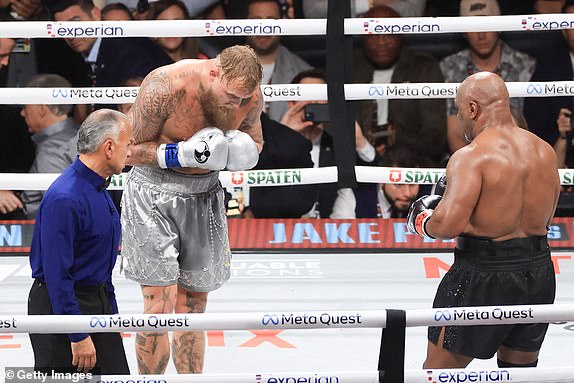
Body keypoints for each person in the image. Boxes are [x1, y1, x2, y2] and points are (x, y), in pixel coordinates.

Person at [121, 44, 263, 374]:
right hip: (153, 192)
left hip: (205, 194)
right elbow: (127, 150)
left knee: (194, 306)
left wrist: (240, 155)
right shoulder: (165, 85)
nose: (237, 104)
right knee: (159, 304)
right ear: (213, 71)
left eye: (244, 98)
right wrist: (181, 154)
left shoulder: (251, 97)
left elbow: (255, 143)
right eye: (231, 95)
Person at [407, 72, 560, 369]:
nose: (463, 119)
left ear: (473, 108)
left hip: (481, 274)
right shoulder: (545, 151)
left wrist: (422, 220)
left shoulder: (472, 156)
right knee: (519, 374)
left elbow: (447, 225)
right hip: (538, 270)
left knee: (438, 373)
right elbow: (548, 216)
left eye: (461, 111)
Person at [27, 109, 133, 374]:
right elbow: (57, 275)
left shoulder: (98, 188)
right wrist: (77, 334)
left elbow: (100, 268)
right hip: (60, 307)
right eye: (128, 144)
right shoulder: (66, 197)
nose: (130, 152)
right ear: (109, 147)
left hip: (96, 303)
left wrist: (112, 318)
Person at [353, 5, 446, 165]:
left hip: (414, 163)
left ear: (401, 34)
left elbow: (434, 133)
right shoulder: (348, 68)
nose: (381, 42)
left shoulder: (423, 66)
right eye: (373, 35)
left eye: (389, 33)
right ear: (362, 37)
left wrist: (397, 155)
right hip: (357, 162)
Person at [440, 0, 535, 153]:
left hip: (518, 155)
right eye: (473, 27)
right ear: (463, 31)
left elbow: (534, 124)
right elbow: (454, 133)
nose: (481, 35)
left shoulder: (526, 65)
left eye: (487, 25)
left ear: (499, 28)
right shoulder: (449, 67)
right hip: (468, 159)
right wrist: (477, 166)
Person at [245, 0, 311, 122]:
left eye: (271, 21)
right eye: (256, 21)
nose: (263, 28)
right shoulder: (220, 68)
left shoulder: (304, 73)